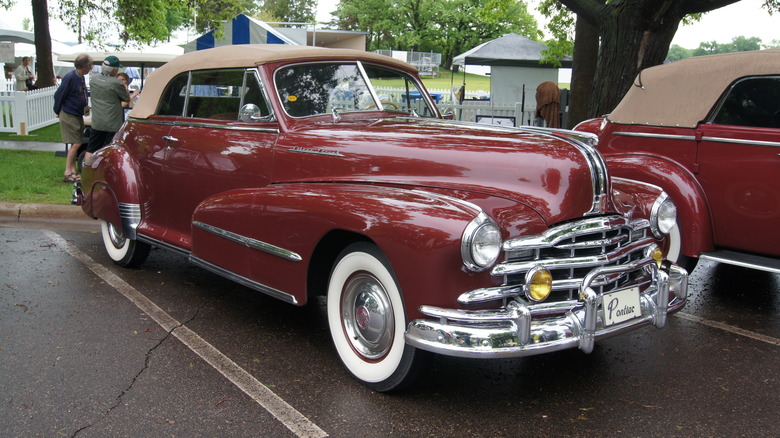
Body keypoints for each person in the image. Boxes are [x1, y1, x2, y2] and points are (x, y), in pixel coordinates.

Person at [53, 53, 93, 182]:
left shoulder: (80, 77)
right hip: (69, 113)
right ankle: (68, 172)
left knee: (76, 142)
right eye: (90, 65)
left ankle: (72, 171)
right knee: (76, 143)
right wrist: (57, 110)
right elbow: (59, 94)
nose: (91, 67)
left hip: (77, 114)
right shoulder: (70, 77)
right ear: (84, 66)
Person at [85, 55, 129, 162]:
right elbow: (126, 99)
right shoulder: (116, 83)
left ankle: (87, 170)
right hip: (112, 123)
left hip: (97, 122)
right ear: (114, 70)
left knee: (91, 148)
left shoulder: (93, 79)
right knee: (108, 150)